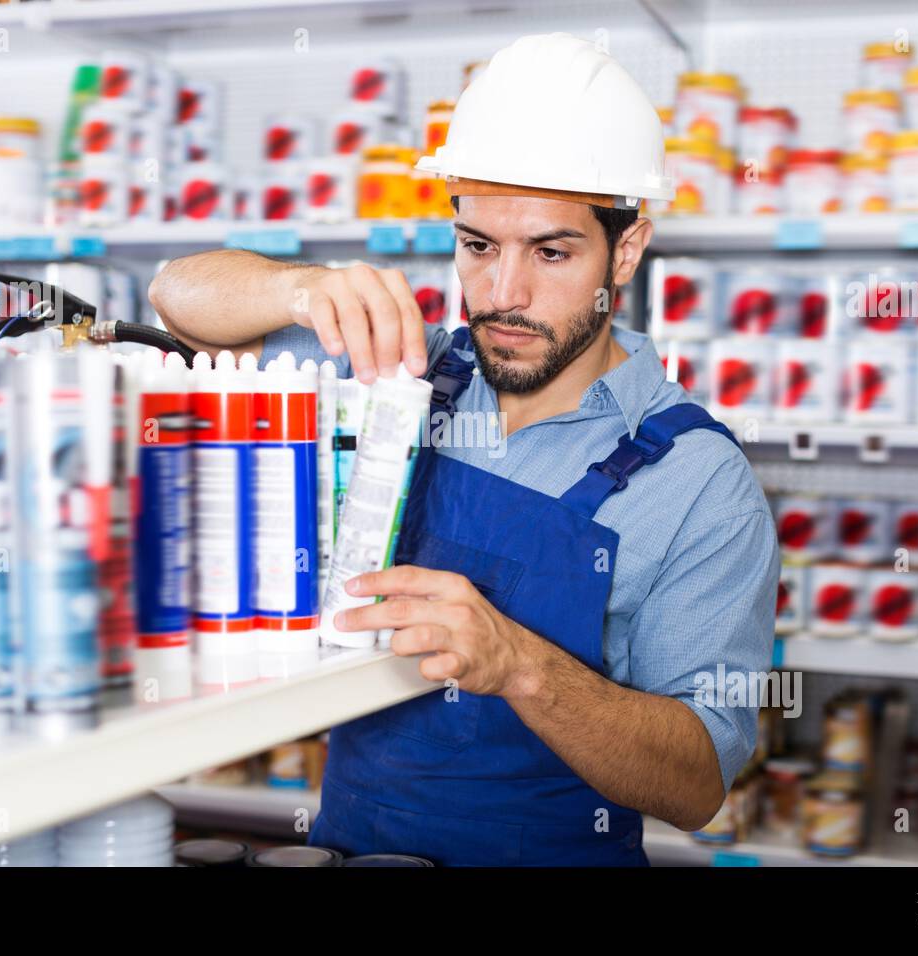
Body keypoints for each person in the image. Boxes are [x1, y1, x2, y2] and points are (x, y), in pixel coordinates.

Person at [150, 32, 779, 866]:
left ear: (625, 249)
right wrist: (297, 288)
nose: (504, 294)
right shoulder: (397, 372)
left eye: (551, 252)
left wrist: (523, 665)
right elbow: (173, 300)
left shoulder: (700, 482)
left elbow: (699, 781)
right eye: (478, 246)